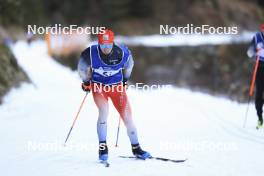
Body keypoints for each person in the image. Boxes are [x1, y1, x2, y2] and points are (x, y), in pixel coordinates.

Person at [78, 29, 151, 161]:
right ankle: (102, 148)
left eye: (108, 45)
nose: (105, 48)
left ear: (113, 42)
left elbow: (130, 65)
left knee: (128, 117)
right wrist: (86, 82)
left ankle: (136, 148)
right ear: (98, 43)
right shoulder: (89, 53)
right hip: (99, 87)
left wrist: (124, 80)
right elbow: (82, 68)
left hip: (117, 88)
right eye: (102, 45)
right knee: (104, 112)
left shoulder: (122, 52)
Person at [247, 24, 264, 129]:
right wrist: (256, 51)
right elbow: (249, 53)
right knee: (259, 93)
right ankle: (260, 118)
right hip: (260, 68)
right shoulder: (257, 37)